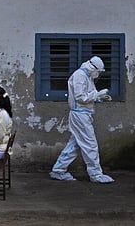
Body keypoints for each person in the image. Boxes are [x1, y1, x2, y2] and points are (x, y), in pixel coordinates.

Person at [49, 56, 115, 184]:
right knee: (90, 144)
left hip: (83, 114)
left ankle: (58, 170)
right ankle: (95, 174)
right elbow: (80, 97)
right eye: (99, 71)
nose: (99, 74)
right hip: (80, 115)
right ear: (93, 68)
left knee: (75, 145)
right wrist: (98, 94)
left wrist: (99, 97)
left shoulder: (86, 76)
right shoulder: (80, 76)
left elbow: (87, 95)